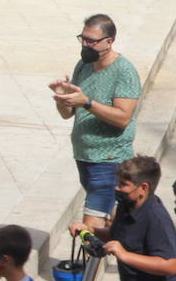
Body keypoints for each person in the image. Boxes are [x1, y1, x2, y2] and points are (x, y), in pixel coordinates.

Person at [51, 14, 141, 233]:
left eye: (92, 41)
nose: (85, 45)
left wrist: (88, 103)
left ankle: (85, 266)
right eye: (83, 38)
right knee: (110, 226)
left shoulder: (124, 72)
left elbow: (123, 117)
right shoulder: (84, 65)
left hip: (109, 161)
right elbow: (68, 113)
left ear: (109, 41)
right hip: (84, 157)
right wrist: (62, 98)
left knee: (89, 228)